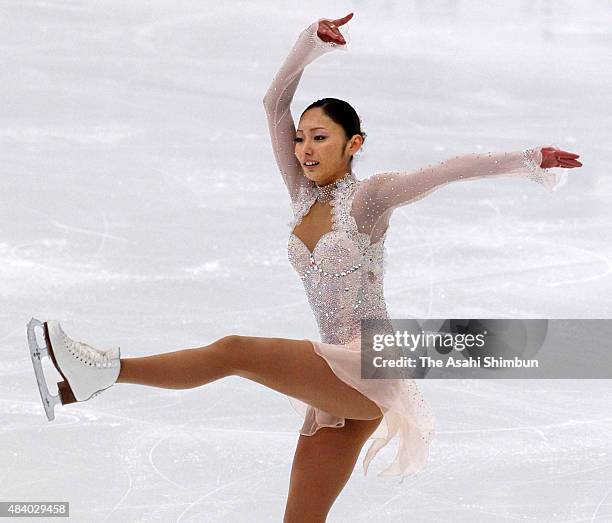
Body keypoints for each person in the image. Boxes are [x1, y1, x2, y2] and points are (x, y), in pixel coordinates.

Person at [27, 12, 582, 523]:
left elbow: (445, 171)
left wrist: (528, 160)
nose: (305, 148)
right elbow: (273, 104)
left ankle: (101, 370)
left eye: (320, 138)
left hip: (368, 364)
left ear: (353, 144)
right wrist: (310, 43)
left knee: (234, 351)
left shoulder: (369, 198)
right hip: (336, 379)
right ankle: (94, 376)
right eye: (301, 138)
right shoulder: (300, 193)